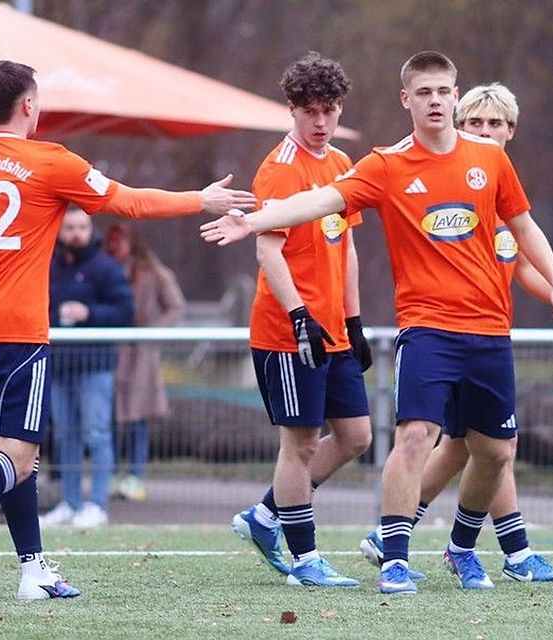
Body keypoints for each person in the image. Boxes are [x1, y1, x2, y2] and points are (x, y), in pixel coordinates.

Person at [0, 60, 256, 604]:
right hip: (18, 331)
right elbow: (126, 201)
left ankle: (33, 569)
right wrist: (198, 201)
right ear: (29, 106)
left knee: (18, 452)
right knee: (14, 456)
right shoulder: (49, 161)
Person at [201, 51, 553, 594]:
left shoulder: (490, 162)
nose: (435, 100)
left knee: (491, 449)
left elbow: (524, 230)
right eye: (424, 92)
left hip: (485, 331)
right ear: (406, 99)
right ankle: (392, 556)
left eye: (444, 91)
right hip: (416, 328)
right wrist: (255, 223)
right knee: (411, 437)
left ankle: (459, 547)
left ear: (455, 97)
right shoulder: (384, 164)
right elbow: (316, 204)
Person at [358, 83, 553, 583]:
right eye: (475, 123)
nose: (485, 132)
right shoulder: (448, 186)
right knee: (455, 443)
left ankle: (413, 538)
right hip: (439, 334)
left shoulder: (502, 193)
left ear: (511, 132)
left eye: (496, 124)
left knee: (479, 446)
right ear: (457, 127)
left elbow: (522, 266)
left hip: (486, 340)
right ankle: (504, 549)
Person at [224, 53, 371, 588]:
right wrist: (300, 316)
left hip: (332, 329)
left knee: (356, 436)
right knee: (301, 442)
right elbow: (268, 250)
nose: (321, 121)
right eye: (310, 110)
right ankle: (305, 562)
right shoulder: (280, 167)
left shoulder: (340, 163)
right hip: (287, 332)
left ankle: (265, 516)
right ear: (291, 109)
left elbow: (347, 245)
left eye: (329, 110)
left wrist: (352, 320)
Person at [41, 208, 133, 528]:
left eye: (82, 226)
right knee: (65, 435)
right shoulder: (48, 266)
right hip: (60, 365)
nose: (76, 233)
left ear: (90, 229)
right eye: (69, 227)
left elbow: (125, 312)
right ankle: (69, 502)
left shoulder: (106, 268)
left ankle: (97, 504)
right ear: (59, 230)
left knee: (97, 434)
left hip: (95, 366)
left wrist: (89, 313)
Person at [105, 222, 186, 502]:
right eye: (111, 240)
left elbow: (175, 306)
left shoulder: (153, 273)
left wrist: (152, 332)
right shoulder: (105, 269)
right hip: (112, 351)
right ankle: (112, 474)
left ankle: (135, 477)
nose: (115, 245)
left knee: (138, 418)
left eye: (120, 240)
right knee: (111, 415)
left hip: (141, 354)